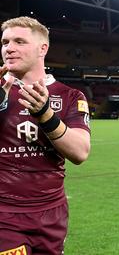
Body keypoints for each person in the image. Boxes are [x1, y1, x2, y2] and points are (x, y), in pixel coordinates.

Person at [0, 17, 91, 254]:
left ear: (43, 48)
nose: (9, 48)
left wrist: (45, 114)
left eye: (19, 41)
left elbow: (80, 152)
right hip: (4, 212)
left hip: (52, 212)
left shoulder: (71, 96)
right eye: (5, 42)